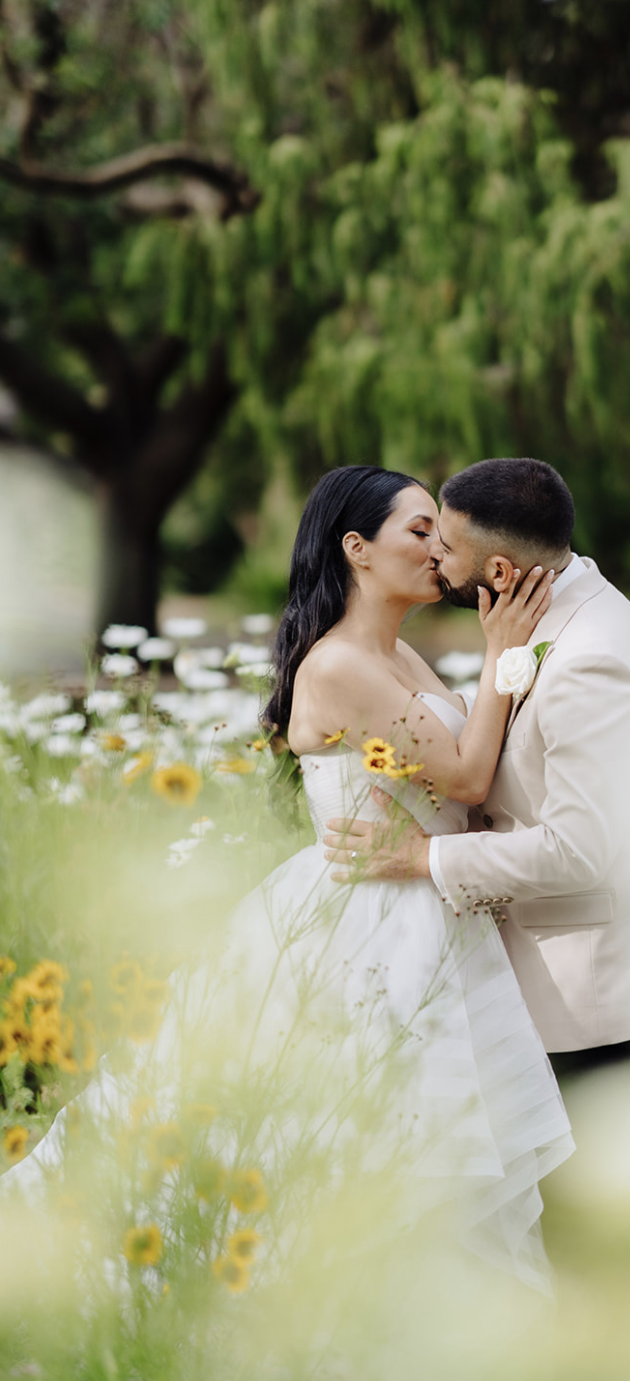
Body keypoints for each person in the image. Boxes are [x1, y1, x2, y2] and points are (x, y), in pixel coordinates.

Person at [3, 465, 574, 1296]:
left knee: (424, 1162)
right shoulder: (337, 666)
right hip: (365, 931)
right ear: (357, 549)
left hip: (429, 914)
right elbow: (463, 776)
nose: (440, 549)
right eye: (420, 531)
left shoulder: (399, 653)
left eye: (441, 534)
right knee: (354, 1154)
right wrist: (504, 655)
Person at [326, 458, 630, 1073]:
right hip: (545, 971)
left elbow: (576, 850)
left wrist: (423, 857)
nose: (435, 559)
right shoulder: (548, 619)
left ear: (499, 570)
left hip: (592, 991)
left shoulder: (592, 658)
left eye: (444, 546)